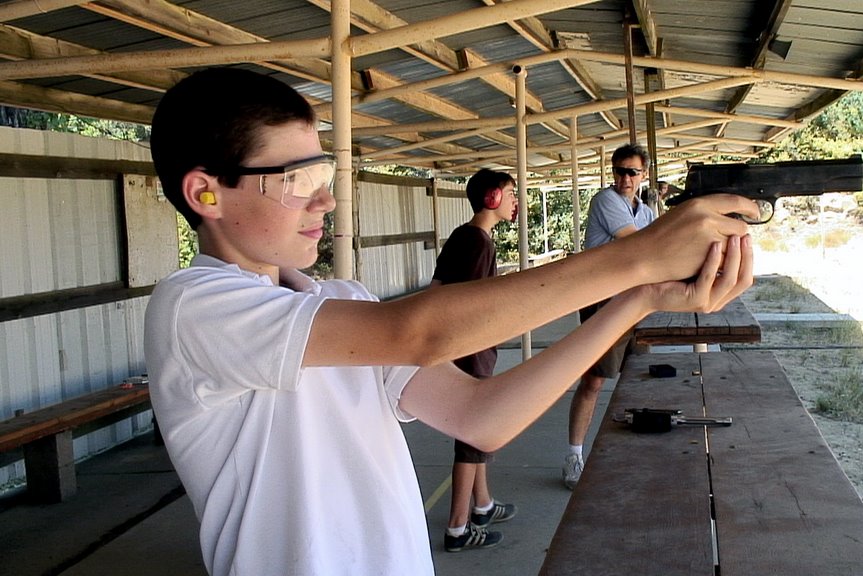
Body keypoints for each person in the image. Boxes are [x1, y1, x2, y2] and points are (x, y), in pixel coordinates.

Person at [144, 67, 757, 576]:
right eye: (296, 181)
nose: (325, 200)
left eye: (323, 177)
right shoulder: (195, 305)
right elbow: (418, 332)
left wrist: (640, 295)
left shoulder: (343, 299)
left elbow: (481, 418)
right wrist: (634, 256)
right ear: (206, 194)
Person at [429, 168, 519, 552]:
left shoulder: (466, 236)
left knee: (476, 433)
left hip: (464, 349)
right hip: (471, 350)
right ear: (492, 198)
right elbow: (468, 306)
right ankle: (457, 528)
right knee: (471, 436)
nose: (516, 201)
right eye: (511, 193)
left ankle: (481, 506)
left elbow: (436, 290)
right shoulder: (478, 243)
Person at [563, 143, 656, 490]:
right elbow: (637, 244)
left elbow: (655, 242)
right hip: (603, 299)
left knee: (636, 379)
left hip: (634, 300)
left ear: (643, 175)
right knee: (595, 380)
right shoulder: (606, 201)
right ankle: (574, 454)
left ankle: (628, 454)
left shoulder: (644, 211)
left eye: (632, 172)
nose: (624, 178)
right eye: (619, 171)